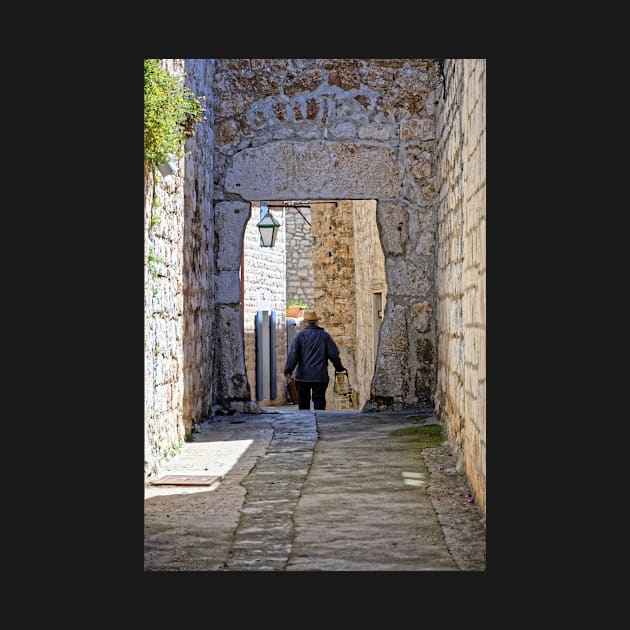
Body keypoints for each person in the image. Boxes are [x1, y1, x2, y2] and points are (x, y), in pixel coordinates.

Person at [284, 310, 346, 410]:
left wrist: (288, 370)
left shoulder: (299, 336)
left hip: (302, 376)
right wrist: (339, 368)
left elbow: (293, 354)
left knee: (303, 403)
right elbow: (333, 354)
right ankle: (320, 421)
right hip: (320, 375)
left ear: (305, 322)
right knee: (319, 401)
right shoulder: (325, 336)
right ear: (316, 322)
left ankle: (305, 423)